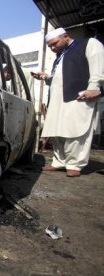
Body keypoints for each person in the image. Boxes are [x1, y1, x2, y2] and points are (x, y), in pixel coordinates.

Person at [32, 28, 104, 177]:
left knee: (75, 131)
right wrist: (46, 77)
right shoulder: (60, 56)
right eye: (49, 46)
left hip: (79, 96)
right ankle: (59, 162)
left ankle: (74, 164)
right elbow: (60, 79)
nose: (52, 48)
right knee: (57, 132)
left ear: (65, 36)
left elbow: (98, 67)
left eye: (54, 43)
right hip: (57, 100)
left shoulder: (89, 44)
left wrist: (95, 87)